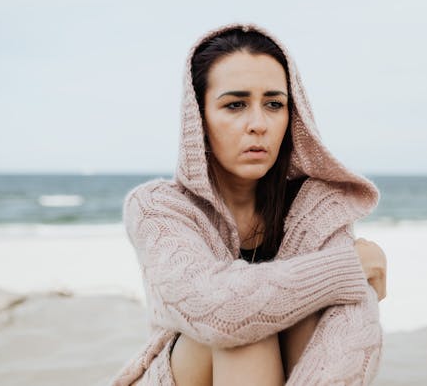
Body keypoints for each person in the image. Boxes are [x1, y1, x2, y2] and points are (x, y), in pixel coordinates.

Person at [111, 23, 387, 386]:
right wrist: (345, 268)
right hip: (185, 375)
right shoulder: (157, 208)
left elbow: (355, 331)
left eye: (274, 104)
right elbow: (218, 312)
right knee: (244, 330)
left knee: (323, 310)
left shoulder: (317, 206)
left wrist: (340, 278)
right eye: (235, 105)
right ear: (199, 118)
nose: (258, 124)